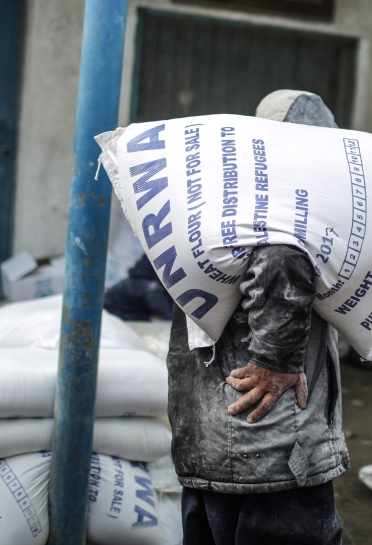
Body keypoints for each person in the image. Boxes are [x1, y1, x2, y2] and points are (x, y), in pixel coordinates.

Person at [167, 90, 347, 545]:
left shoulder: (219, 208)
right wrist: (275, 363)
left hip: (208, 440)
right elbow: (281, 263)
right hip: (270, 451)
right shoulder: (285, 211)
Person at [104, 256, 175, 322]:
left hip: (121, 318)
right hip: (115, 319)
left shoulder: (141, 280)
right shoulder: (149, 286)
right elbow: (165, 311)